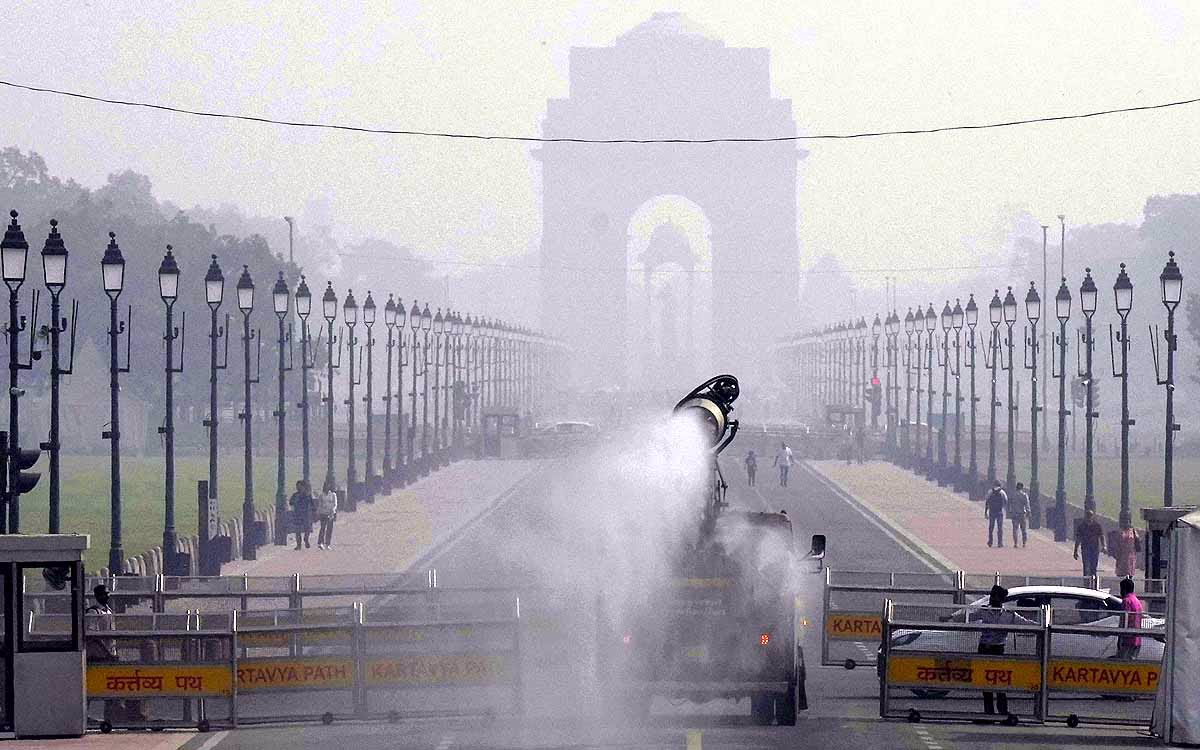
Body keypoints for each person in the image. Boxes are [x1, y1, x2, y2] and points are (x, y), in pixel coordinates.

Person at [977, 584, 1035, 718]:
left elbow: (1025, 623)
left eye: (995, 597)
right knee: (985, 683)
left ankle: (1002, 711)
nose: (992, 599)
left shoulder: (1009, 615)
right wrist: (949, 618)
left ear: (1001, 600)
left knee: (999, 682)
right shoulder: (984, 611)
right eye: (991, 596)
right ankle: (989, 713)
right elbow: (967, 616)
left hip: (997, 650)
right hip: (984, 649)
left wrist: (1044, 625)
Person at [1073, 509, 1106, 577]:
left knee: (1094, 567)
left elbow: (1101, 536)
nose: (1089, 517)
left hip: (1095, 548)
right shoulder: (1081, 526)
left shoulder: (1097, 525)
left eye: (1090, 515)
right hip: (1085, 548)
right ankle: (1086, 582)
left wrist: (1104, 546)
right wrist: (1075, 551)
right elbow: (1078, 539)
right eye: (1088, 515)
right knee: (1086, 566)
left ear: (1092, 516)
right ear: (1085, 516)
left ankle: (1093, 581)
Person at [1116, 577, 1143, 660]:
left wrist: (1120, 638)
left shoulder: (1126, 601)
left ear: (1123, 589)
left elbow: (1124, 620)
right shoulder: (1137, 601)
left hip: (1127, 639)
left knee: (1122, 663)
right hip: (1137, 639)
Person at [288, 479, 314, 550]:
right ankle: (298, 545)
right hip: (298, 514)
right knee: (297, 531)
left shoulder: (307, 495)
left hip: (306, 514)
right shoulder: (295, 495)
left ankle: (306, 539)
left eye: (300, 486)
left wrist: (313, 512)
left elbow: (312, 504)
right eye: (297, 486)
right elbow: (291, 502)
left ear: (303, 487)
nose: (298, 488)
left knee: (307, 529)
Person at [984, 480, 1007, 548]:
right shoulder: (1002, 492)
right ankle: (1000, 542)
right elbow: (1006, 500)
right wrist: (1003, 508)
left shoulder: (990, 491)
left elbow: (987, 501)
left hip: (992, 511)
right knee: (1000, 528)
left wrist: (986, 512)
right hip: (999, 511)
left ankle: (990, 541)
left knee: (991, 527)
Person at [317, 480, 338, 550]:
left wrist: (333, 511)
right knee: (323, 528)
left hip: (330, 513)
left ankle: (327, 543)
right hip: (323, 513)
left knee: (329, 529)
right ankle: (320, 542)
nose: (327, 487)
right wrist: (318, 512)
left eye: (328, 486)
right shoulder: (321, 495)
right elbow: (319, 505)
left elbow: (335, 504)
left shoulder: (333, 495)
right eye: (326, 486)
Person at [1008, 482, 1030, 548]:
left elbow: (1009, 504)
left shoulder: (1013, 495)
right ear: (1022, 488)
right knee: (1024, 530)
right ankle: (1024, 543)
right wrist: (1028, 512)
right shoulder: (1024, 495)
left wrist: (1010, 511)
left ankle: (1015, 543)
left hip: (1015, 514)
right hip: (1022, 514)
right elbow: (1027, 505)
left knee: (1015, 529)